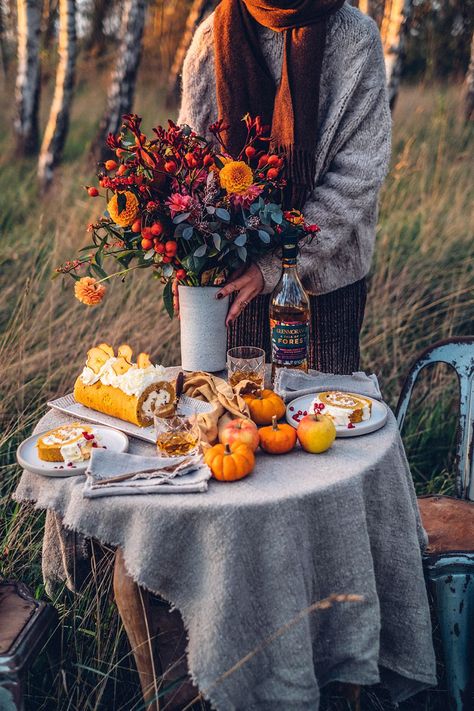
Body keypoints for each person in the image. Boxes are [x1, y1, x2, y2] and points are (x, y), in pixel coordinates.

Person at [177, 0, 391, 374]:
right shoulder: (211, 38)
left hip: (326, 280)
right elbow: (190, 167)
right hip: (232, 278)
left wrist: (278, 264)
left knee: (327, 416)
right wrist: (188, 265)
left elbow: (360, 170)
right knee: (236, 412)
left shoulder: (355, 37)